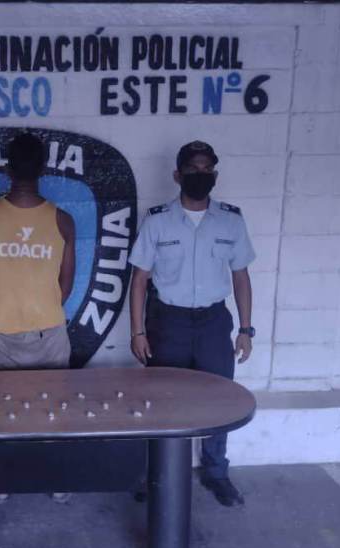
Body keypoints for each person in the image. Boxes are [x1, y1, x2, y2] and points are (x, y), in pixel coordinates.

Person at [128, 140, 255, 507]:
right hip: (169, 324)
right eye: (193, 169)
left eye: (207, 169)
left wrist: (245, 329)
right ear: (177, 175)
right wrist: (137, 332)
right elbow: (139, 280)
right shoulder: (157, 220)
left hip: (214, 323)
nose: (201, 175)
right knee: (162, 401)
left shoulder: (231, 220)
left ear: (214, 174)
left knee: (220, 400)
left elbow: (241, 277)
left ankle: (216, 472)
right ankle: (155, 473)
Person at [0, 131, 75, 503]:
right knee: (53, 411)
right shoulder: (63, 220)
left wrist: (9, 305)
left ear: (7, 169)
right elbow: (66, 285)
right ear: (43, 169)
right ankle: (58, 482)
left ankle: (4, 484)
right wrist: (40, 307)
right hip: (50, 329)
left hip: (4, 329)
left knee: (4, 413)